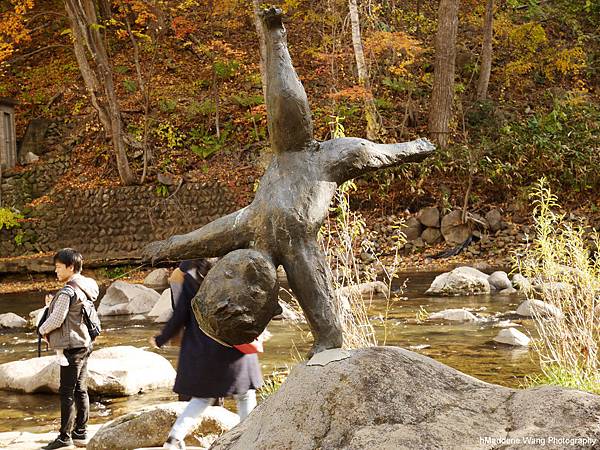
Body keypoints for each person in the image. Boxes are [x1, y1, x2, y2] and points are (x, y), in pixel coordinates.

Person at [150, 259, 262, 450]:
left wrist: (162, 338)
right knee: (244, 394)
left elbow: (180, 314)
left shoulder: (192, 279)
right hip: (233, 345)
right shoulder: (234, 275)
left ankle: (174, 439)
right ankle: (247, 437)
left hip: (204, 349)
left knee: (202, 398)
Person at [40, 248, 99, 450]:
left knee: (67, 392)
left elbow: (56, 320)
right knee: (80, 390)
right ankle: (81, 433)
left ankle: (65, 437)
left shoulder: (67, 291)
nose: (55, 271)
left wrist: (41, 329)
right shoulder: (85, 287)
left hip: (71, 347)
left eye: (58, 267)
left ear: (70, 267)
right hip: (84, 344)